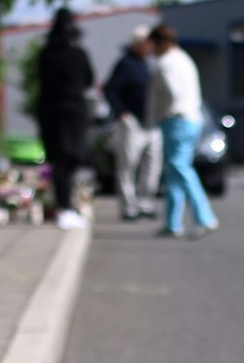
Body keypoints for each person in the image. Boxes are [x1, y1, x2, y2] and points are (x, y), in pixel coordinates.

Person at [146, 24, 217, 239]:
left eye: (153, 45)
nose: (152, 50)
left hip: (176, 120)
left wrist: (162, 114)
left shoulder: (165, 63)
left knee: (180, 166)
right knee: (174, 171)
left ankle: (205, 217)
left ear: (160, 43)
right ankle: (172, 223)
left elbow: (172, 92)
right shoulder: (184, 58)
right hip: (193, 118)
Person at [36, 11, 95, 230]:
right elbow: (89, 80)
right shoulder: (79, 54)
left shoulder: (46, 54)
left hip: (51, 110)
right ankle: (66, 208)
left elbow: (40, 80)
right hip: (74, 111)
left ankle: (64, 206)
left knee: (58, 161)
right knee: (70, 161)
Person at [102, 27, 162, 222]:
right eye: (146, 43)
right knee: (127, 166)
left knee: (152, 166)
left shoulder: (151, 64)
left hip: (151, 122)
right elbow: (110, 90)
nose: (150, 47)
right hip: (132, 123)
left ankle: (145, 203)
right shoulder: (125, 64)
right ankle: (129, 207)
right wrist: (122, 113)